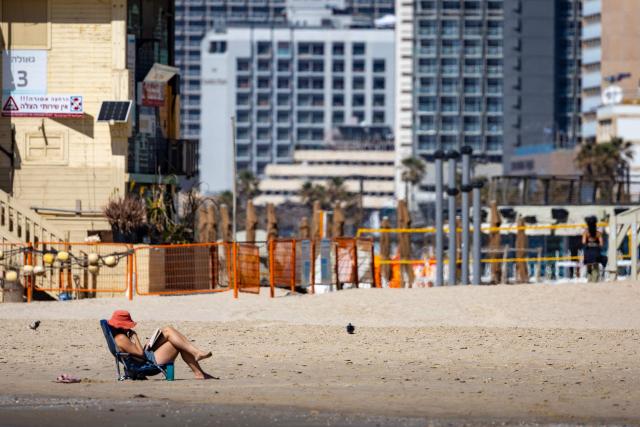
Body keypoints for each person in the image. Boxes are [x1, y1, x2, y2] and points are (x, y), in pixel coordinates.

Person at [107, 310, 214, 379]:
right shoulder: (121, 338)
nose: (129, 328)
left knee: (167, 330)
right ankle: (198, 367)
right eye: (128, 325)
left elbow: (134, 352)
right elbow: (140, 353)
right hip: (148, 361)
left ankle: (198, 361)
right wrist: (135, 336)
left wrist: (148, 343)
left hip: (143, 358)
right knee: (177, 343)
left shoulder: (119, 337)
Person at [582, 216, 604, 283]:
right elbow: (601, 243)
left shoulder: (586, 232)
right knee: (595, 266)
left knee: (589, 265)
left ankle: (589, 279)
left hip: (588, 250)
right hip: (595, 250)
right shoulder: (598, 233)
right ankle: (595, 280)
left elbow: (583, 242)